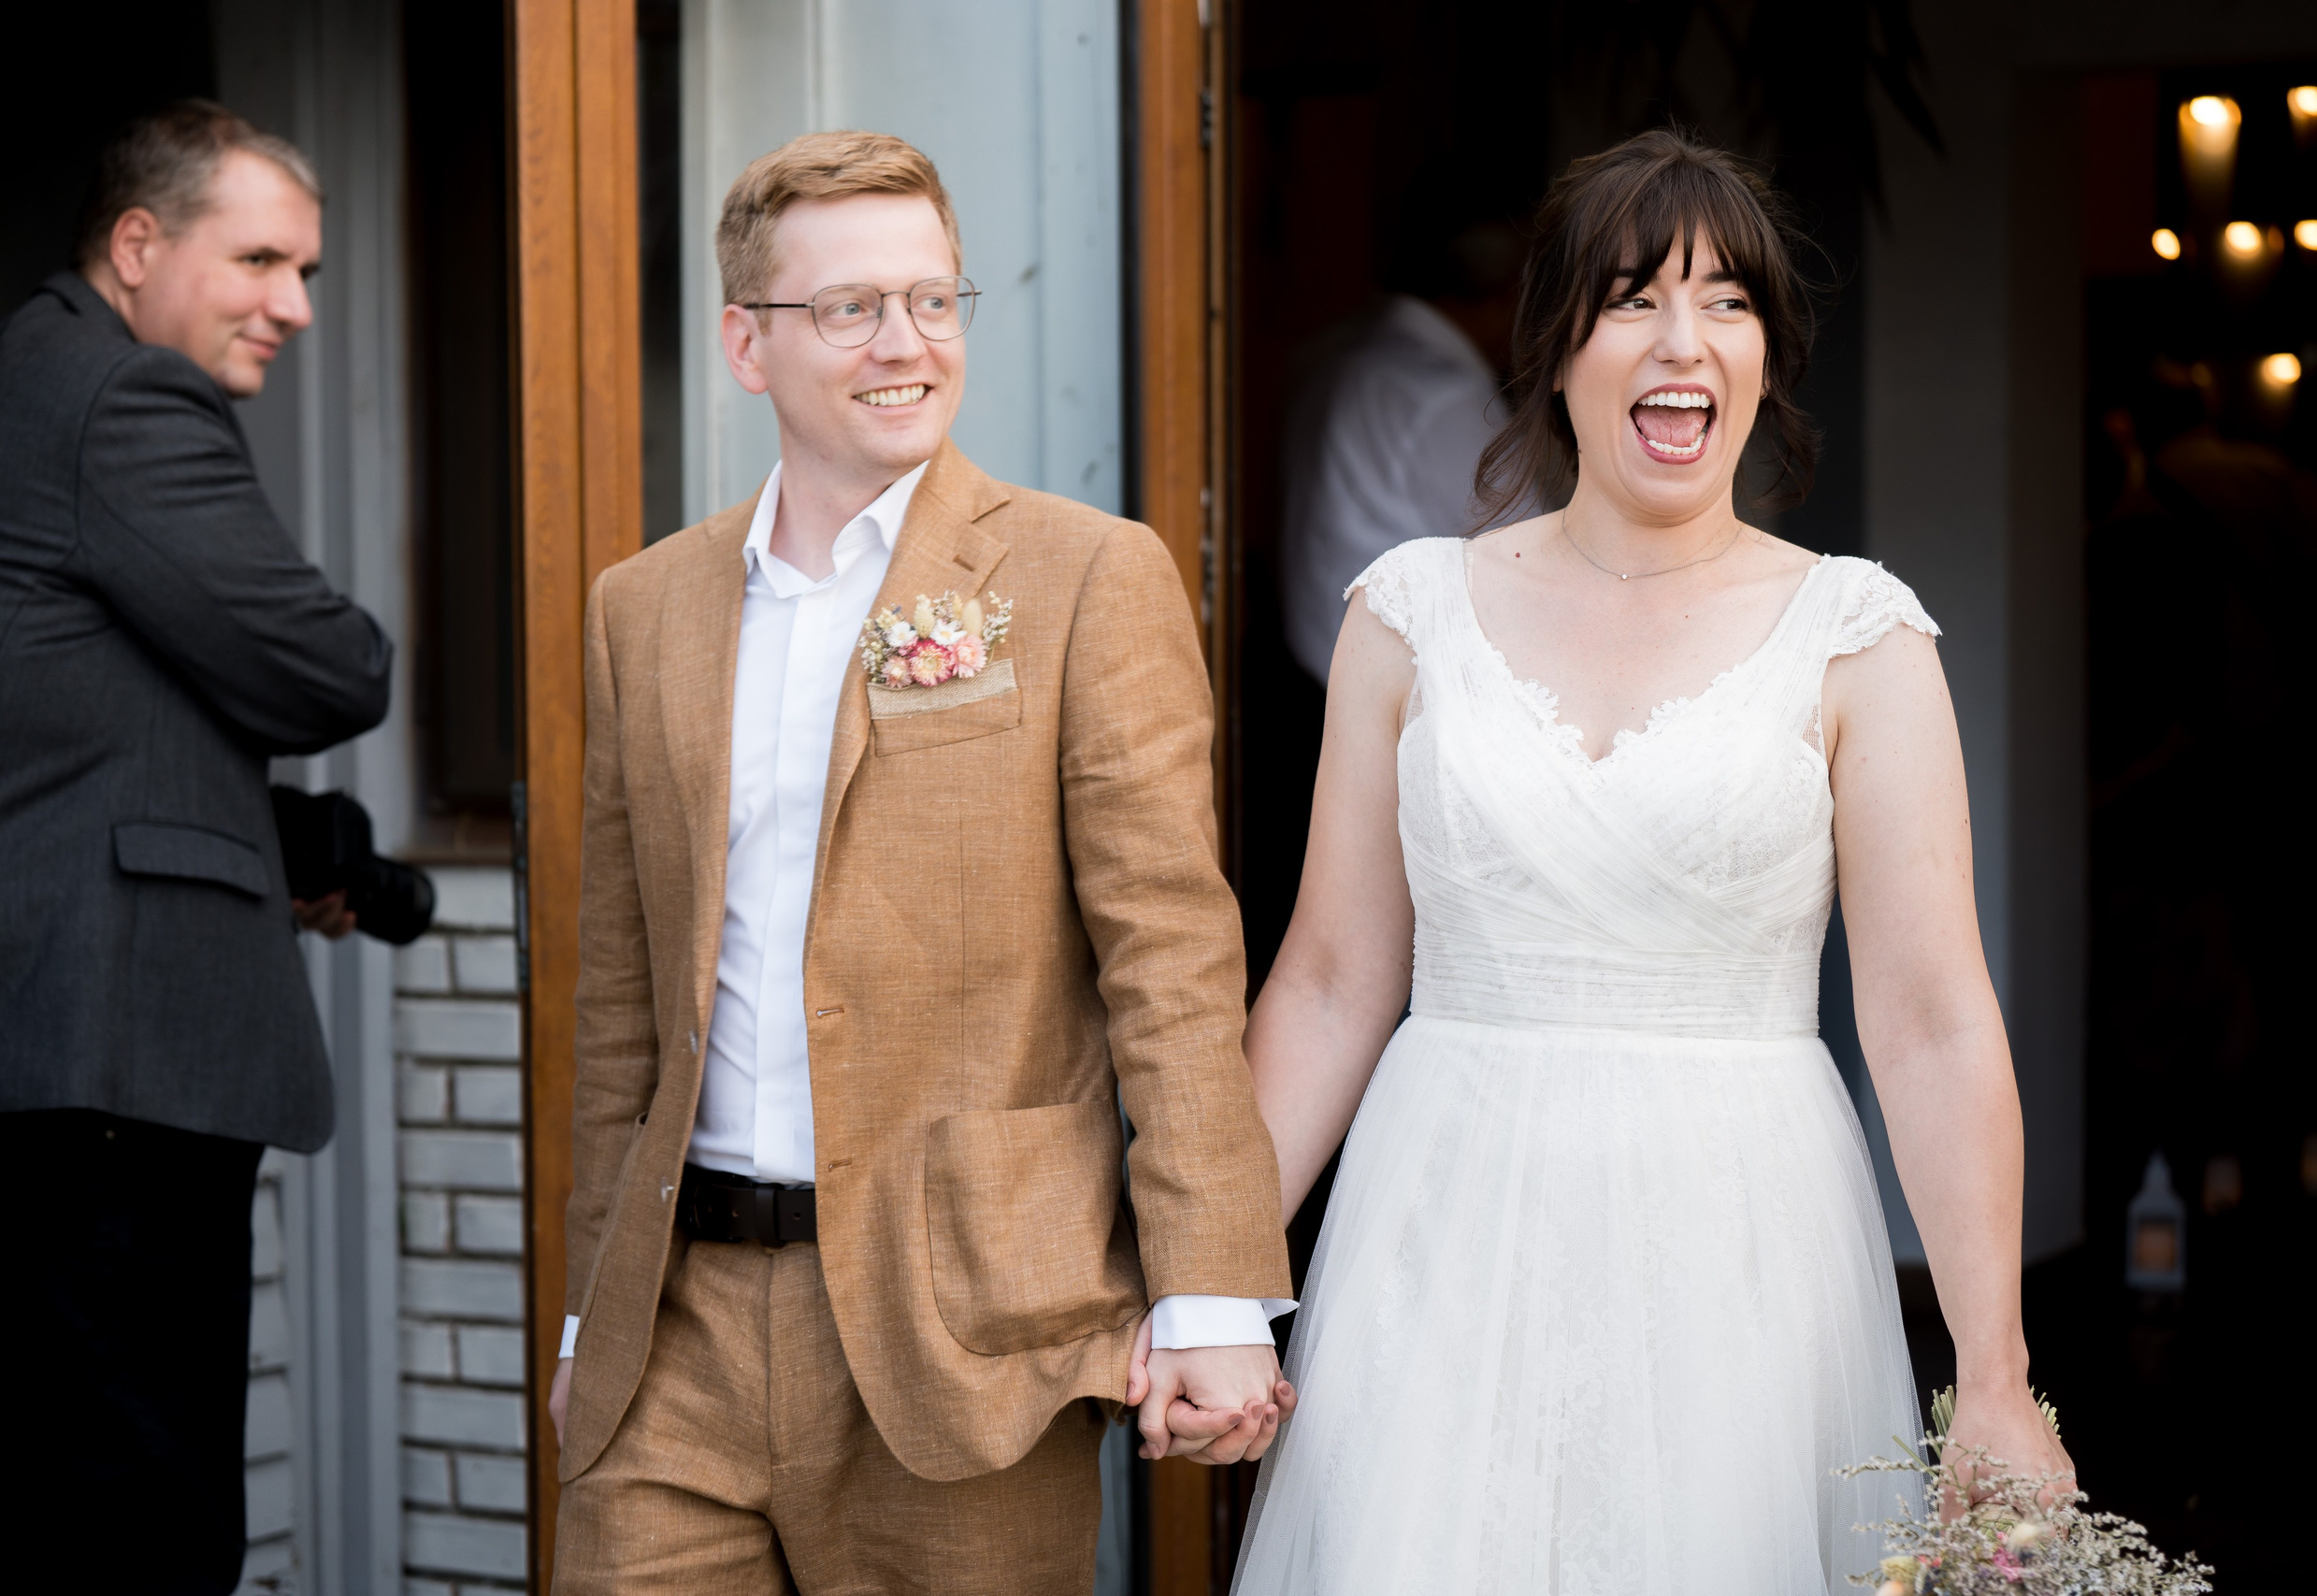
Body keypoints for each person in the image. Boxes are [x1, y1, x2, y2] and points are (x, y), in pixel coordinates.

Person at [1230, 129, 2074, 1592]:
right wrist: (1211, 1279)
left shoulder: (1858, 636)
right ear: (1554, 343)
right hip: (1439, 1242)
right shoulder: (1409, 612)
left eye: (1729, 302)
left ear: (1765, 357)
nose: (1684, 340)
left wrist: (1994, 1375)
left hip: (1742, 1249)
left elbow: (1932, 1020)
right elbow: (1325, 979)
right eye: (1632, 296)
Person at [548, 130, 1296, 1592]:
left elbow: (1171, 958)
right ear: (745, 343)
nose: (907, 343)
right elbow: (625, 1005)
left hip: (960, 1338)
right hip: (677, 1334)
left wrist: (1213, 1288)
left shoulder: (1088, 575)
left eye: (935, 300)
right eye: (851, 310)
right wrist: (592, 1313)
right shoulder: (642, 607)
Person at [0, 101, 393, 1593]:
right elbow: (328, 668)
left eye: (305, 270)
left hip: (60, 1053)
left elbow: (78, 717)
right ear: (138, 244)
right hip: (112, 1063)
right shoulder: (122, 400)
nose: (294, 304)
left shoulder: (32, 377)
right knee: (140, 1516)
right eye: (263, 260)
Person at [1279, 217, 1523, 685]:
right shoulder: (1448, 397)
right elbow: (1528, 551)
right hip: (1388, 696)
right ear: (1503, 296)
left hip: (1307, 670)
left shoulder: (1323, 355)